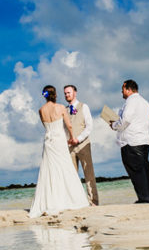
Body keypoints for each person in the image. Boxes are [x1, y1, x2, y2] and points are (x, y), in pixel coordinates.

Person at [29, 85, 90, 218]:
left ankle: (51, 200)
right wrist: (72, 136)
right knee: (65, 168)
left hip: (48, 141)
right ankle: (68, 200)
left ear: (44, 95)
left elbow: (45, 126)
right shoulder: (61, 107)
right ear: (55, 94)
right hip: (59, 140)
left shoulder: (41, 110)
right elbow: (68, 125)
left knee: (49, 170)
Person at [107, 79, 149, 203]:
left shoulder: (131, 101)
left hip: (131, 140)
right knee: (145, 169)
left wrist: (114, 125)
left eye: (122, 90)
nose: (121, 92)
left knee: (136, 171)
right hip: (144, 139)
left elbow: (125, 120)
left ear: (128, 89)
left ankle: (144, 199)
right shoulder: (145, 102)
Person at [63, 84, 99, 206]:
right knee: (71, 176)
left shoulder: (84, 107)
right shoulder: (64, 110)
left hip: (83, 145)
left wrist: (78, 139)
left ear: (75, 93)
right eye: (65, 93)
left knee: (89, 174)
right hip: (69, 147)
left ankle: (93, 202)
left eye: (69, 92)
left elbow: (89, 126)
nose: (67, 95)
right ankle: (75, 203)